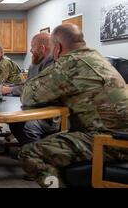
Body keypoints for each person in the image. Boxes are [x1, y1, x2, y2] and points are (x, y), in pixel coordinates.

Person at [19, 24, 128, 188]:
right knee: (55, 138)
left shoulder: (69, 63)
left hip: (107, 142)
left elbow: (28, 96)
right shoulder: (99, 58)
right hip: (121, 137)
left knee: (30, 153)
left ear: (57, 48)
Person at [4, 33, 59, 145]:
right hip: (34, 109)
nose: (30, 50)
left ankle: (37, 154)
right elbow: (28, 85)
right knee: (14, 122)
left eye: (32, 47)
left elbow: (38, 90)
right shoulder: (35, 64)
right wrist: (12, 88)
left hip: (48, 115)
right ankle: (27, 149)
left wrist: (10, 90)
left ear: (42, 48)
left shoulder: (53, 65)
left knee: (27, 126)